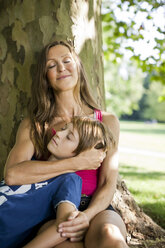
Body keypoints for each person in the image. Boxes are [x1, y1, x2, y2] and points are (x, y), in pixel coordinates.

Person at [4, 40, 129, 248]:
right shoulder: (36, 125)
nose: (61, 68)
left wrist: (87, 216)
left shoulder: (106, 121)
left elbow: (108, 183)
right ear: (45, 78)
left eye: (66, 60)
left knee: (110, 236)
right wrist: (76, 163)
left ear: (78, 66)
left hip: (97, 208)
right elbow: (13, 174)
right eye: (51, 65)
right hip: (51, 211)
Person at [0, 116, 113, 248]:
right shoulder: (31, 164)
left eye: (69, 137)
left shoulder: (69, 180)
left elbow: (65, 226)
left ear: (83, 153)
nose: (59, 134)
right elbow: (11, 174)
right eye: (64, 129)